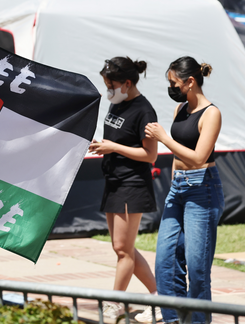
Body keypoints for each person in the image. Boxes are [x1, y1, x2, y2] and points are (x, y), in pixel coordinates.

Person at [144, 56, 224, 324]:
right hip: (177, 188)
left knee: (197, 267)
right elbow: (181, 154)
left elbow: (199, 157)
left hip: (203, 188)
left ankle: (198, 321)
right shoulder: (181, 109)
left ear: (190, 82)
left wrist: (164, 138)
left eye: (173, 83)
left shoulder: (211, 113)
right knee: (165, 261)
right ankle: (174, 319)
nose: (171, 88)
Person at [88, 57, 161, 323]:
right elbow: (117, 139)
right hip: (114, 182)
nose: (108, 90)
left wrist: (114, 148)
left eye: (111, 85)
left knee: (122, 249)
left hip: (132, 184)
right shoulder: (116, 103)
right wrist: (103, 146)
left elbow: (150, 155)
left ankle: (115, 303)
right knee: (123, 248)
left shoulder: (144, 111)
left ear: (127, 83)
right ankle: (157, 295)